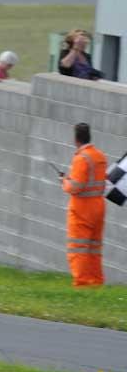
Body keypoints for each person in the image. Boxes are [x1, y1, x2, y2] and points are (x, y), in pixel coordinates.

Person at [61, 123, 107, 287]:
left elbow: (76, 187)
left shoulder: (81, 158)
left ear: (76, 139)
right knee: (94, 247)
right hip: (98, 206)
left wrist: (64, 182)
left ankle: (81, 283)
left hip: (82, 208)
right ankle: (95, 281)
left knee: (78, 247)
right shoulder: (100, 156)